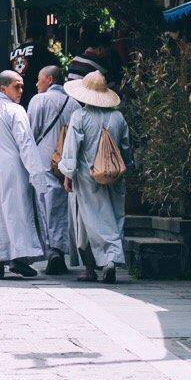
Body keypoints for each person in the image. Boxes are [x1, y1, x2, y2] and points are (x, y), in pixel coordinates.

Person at [0, 69, 48, 279]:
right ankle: (18, 259)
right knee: (16, 214)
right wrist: (37, 174)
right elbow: (26, 144)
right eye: (16, 86)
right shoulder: (16, 111)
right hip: (12, 171)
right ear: (3, 88)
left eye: (22, 85)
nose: (21, 90)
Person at [56, 69, 132, 283]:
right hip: (114, 176)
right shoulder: (118, 117)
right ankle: (110, 261)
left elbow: (71, 150)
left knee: (85, 221)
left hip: (87, 176)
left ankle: (93, 267)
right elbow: (126, 148)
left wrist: (67, 175)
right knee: (112, 217)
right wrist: (127, 168)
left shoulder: (80, 116)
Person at [24, 65, 76, 275]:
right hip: (66, 163)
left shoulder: (39, 100)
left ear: (50, 80)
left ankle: (51, 251)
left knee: (45, 207)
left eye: (39, 79)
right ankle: (60, 252)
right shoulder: (74, 103)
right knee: (62, 208)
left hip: (44, 161)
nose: (36, 84)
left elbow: (30, 131)